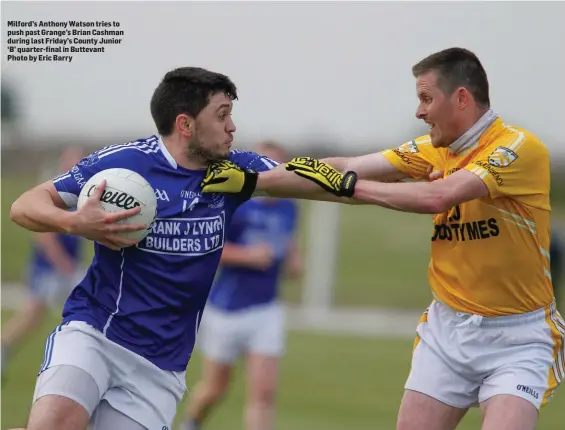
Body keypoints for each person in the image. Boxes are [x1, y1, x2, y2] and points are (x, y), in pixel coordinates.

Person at [199, 47, 565, 430]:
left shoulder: (517, 148)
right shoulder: (433, 150)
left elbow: (435, 196)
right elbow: (345, 168)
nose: (419, 112)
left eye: (426, 98)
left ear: (461, 98)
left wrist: (351, 188)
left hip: (517, 339)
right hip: (447, 332)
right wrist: (256, 180)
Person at [9, 67, 282, 430]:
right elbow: (24, 205)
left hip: (159, 368)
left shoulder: (234, 172)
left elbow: (324, 176)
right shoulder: (124, 164)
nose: (232, 126)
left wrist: (382, 170)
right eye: (222, 115)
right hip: (97, 333)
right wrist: (74, 222)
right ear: (186, 124)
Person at [182, 141, 302, 430]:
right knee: (215, 388)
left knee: (263, 394)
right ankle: (190, 423)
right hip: (227, 310)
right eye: (266, 166)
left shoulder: (289, 208)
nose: (274, 174)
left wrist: (294, 260)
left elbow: (286, 243)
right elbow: (209, 250)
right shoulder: (237, 205)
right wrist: (248, 256)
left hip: (266, 310)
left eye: (279, 167)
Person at [2, 148, 86, 377]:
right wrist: (62, 263)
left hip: (66, 266)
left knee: (72, 315)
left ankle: (70, 363)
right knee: (33, 315)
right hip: (49, 268)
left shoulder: (82, 192)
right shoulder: (55, 191)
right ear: (64, 162)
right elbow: (43, 236)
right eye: (73, 160)